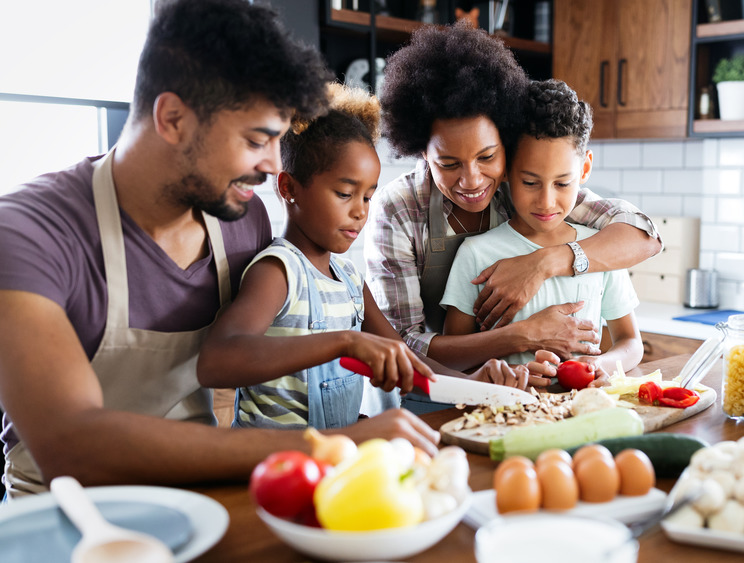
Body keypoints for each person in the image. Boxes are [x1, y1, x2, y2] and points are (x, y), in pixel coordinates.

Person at [0, 0, 429, 499]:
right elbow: (72, 447)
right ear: (173, 118)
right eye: (256, 140)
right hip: (65, 519)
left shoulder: (242, 220)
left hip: (204, 499)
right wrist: (330, 445)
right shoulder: (27, 233)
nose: (272, 166)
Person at [197, 84, 530, 430]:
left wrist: (474, 383)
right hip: (272, 465)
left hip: (332, 461)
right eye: (345, 193)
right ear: (289, 188)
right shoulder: (279, 271)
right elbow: (216, 362)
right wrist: (345, 341)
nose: (360, 212)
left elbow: (406, 358)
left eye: (368, 197)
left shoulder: (350, 279)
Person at [368, 23, 662, 390]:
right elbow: (402, 344)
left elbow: (643, 236)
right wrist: (523, 336)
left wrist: (542, 264)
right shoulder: (398, 209)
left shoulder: (526, 187)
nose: (473, 180)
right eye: (448, 164)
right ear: (421, 152)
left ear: (505, 150)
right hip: (421, 392)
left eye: (487, 156)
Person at [441, 79, 643, 385]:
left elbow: (630, 342)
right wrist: (500, 374)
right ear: (506, 169)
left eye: (562, 183)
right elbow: (452, 358)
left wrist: (604, 364)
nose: (547, 201)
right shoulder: (476, 253)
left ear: (585, 169)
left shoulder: (599, 248)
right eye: (530, 182)